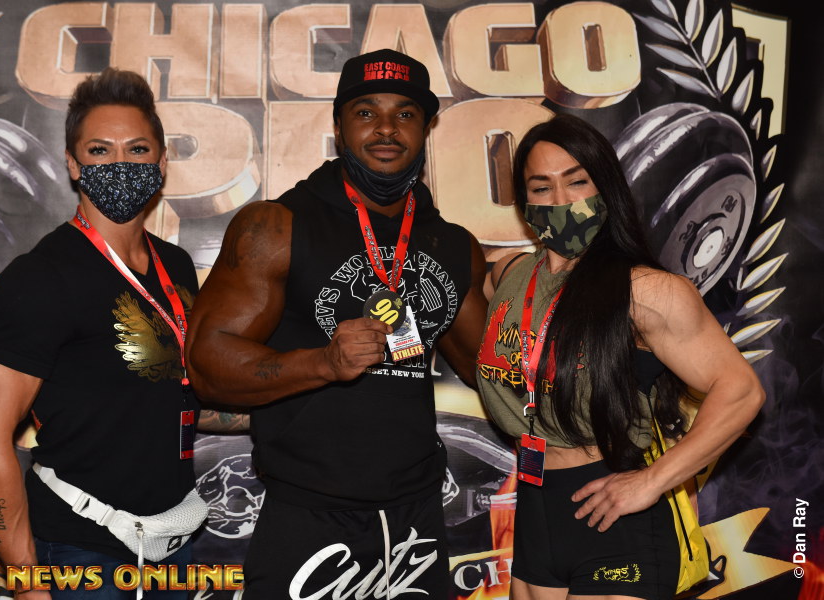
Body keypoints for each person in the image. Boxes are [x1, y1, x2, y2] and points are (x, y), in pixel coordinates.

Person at [185, 48, 487, 598]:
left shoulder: (452, 245)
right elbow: (207, 364)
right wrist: (323, 363)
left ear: (425, 128)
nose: (386, 129)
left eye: (405, 114)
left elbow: (489, 370)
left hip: (416, 514)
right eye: (366, 113)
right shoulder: (277, 226)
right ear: (339, 126)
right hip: (309, 512)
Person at [0, 68, 241, 599]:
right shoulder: (41, 278)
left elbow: (173, 395)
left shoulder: (176, 265)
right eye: (99, 151)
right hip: (82, 555)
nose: (120, 164)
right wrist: (27, 584)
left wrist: (303, 396)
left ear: (161, 163)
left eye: (137, 150)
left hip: (172, 546)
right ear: (73, 163)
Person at [476, 114, 765, 600]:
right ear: (524, 201)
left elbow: (742, 391)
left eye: (577, 181)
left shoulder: (646, 290)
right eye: (541, 187)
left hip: (613, 512)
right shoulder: (510, 275)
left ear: (605, 186)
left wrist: (652, 482)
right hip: (536, 508)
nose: (561, 200)